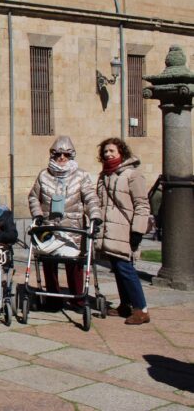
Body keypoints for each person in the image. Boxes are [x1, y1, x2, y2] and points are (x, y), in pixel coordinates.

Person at [28, 136, 102, 308]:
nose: (62, 158)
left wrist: (95, 216)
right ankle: (53, 299)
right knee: (48, 262)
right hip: (49, 226)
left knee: (75, 264)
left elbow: (90, 198)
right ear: (52, 155)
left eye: (66, 155)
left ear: (71, 156)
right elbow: (33, 197)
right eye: (58, 154)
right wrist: (37, 214)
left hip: (73, 227)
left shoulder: (81, 175)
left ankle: (78, 299)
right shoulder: (43, 175)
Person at [96, 138, 153, 325]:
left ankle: (141, 309)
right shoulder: (104, 175)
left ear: (121, 152)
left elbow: (142, 204)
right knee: (117, 268)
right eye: (105, 151)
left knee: (125, 268)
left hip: (125, 230)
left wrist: (137, 231)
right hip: (108, 230)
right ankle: (125, 305)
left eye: (112, 151)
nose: (108, 154)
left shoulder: (132, 174)